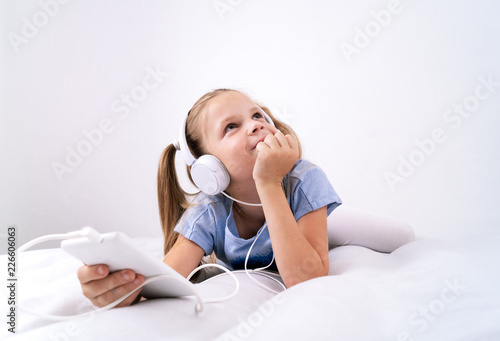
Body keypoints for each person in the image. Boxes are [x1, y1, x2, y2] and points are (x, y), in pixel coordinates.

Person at [77, 88, 414, 308]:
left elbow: (306, 280)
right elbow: (161, 279)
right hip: (282, 233)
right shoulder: (209, 213)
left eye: (257, 116)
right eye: (231, 127)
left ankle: (327, 222)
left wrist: (269, 182)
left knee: (399, 236)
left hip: (315, 218)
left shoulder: (303, 178)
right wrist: (122, 290)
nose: (255, 126)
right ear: (209, 168)